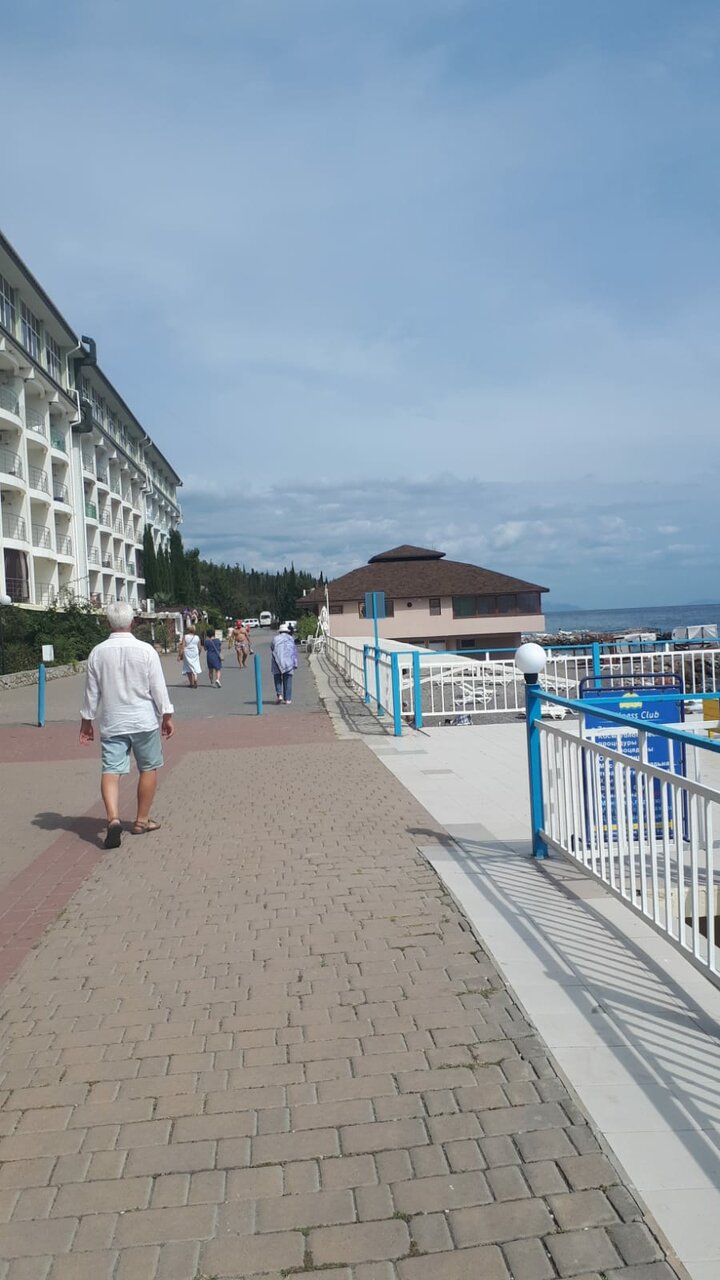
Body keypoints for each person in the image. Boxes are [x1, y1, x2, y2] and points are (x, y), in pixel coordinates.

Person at [79, 601, 174, 849]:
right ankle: (142, 821)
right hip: (143, 721)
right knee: (148, 768)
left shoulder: (97, 652)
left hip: (113, 722)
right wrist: (166, 715)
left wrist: (87, 721)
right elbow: (158, 686)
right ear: (132, 622)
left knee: (111, 770)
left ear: (107, 623)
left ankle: (113, 819)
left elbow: (91, 692)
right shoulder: (146, 651)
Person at [270, 621, 298, 704]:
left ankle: (279, 694)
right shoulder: (291, 639)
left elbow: (272, 647)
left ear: (280, 631)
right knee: (288, 679)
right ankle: (288, 699)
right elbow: (293, 650)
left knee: (277, 678)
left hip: (277, 661)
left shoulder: (275, 638)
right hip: (289, 661)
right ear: (287, 631)